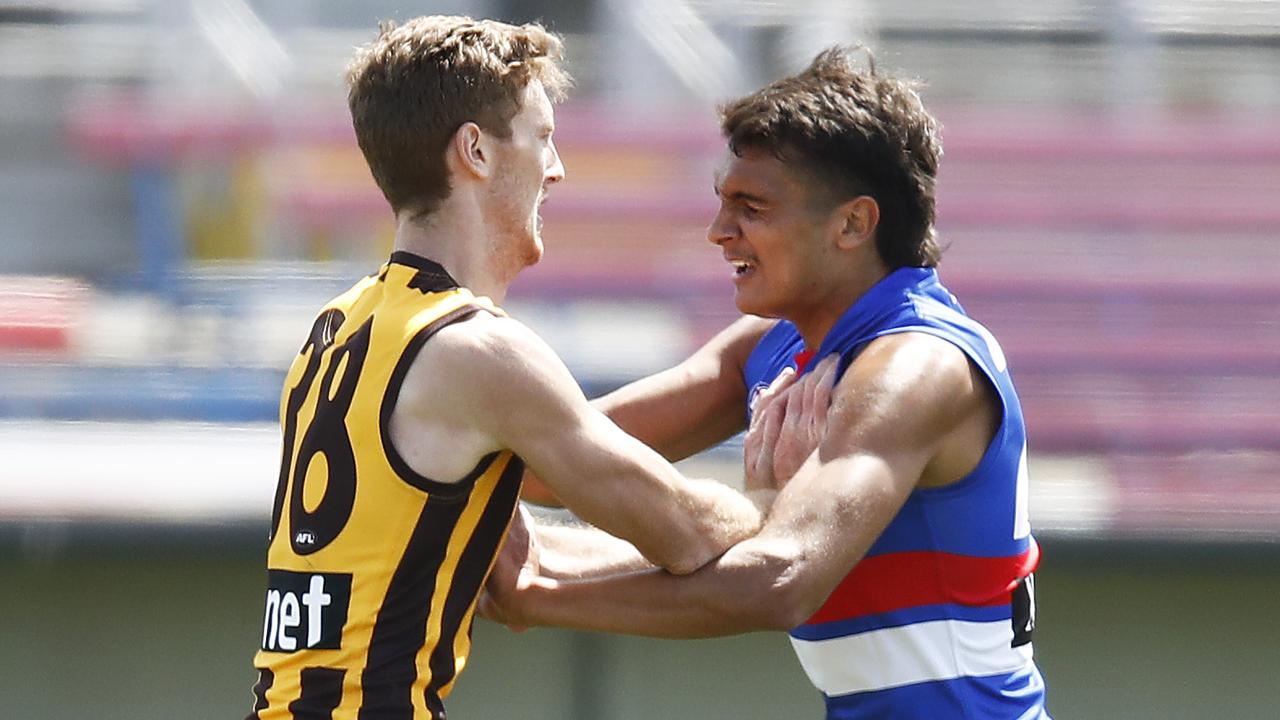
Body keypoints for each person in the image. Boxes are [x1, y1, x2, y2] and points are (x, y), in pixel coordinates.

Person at [484, 47, 1051, 719]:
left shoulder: (917, 367)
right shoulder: (777, 343)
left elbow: (780, 579)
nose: (719, 231)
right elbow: (561, 462)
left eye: (750, 207)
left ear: (853, 224)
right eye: (723, 202)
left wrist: (539, 593)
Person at [243, 16, 767, 720]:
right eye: (543, 137)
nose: (557, 169)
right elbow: (687, 533)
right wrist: (774, 504)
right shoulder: (480, 352)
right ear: (476, 152)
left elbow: (506, 572)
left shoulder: (337, 328)